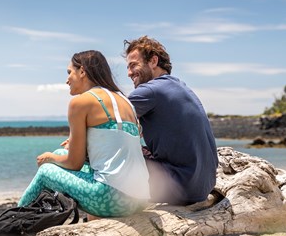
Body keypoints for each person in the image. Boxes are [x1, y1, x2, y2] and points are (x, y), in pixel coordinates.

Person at [18, 50, 150, 217]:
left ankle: (12, 225)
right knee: (61, 153)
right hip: (140, 199)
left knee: (46, 171)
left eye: (69, 72)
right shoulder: (124, 100)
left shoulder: (81, 102)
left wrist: (49, 158)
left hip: (112, 198)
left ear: (82, 71)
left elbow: (74, 163)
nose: (67, 80)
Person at [123, 36, 217, 205]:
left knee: (101, 153)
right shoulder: (181, 87)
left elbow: (105, 121)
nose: (129, 73)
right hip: (204, 186)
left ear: (153, 61)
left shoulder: (148, 91)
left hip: (179, 188)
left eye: (133, 65)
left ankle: (96, 219)